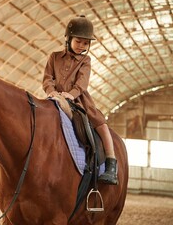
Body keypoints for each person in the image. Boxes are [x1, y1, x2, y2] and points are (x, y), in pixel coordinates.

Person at [42, 15, 118, 185]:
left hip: (78, 99)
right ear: (68, 39)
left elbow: (82, 82)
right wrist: (52, 92)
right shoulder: (54, 57)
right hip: (54, 96)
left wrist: (71, 94)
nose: (82, 46)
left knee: (100, 123)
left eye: (85, 43)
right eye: (78, 41)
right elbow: (48, 78)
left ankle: (111, 163)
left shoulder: (86, 60)